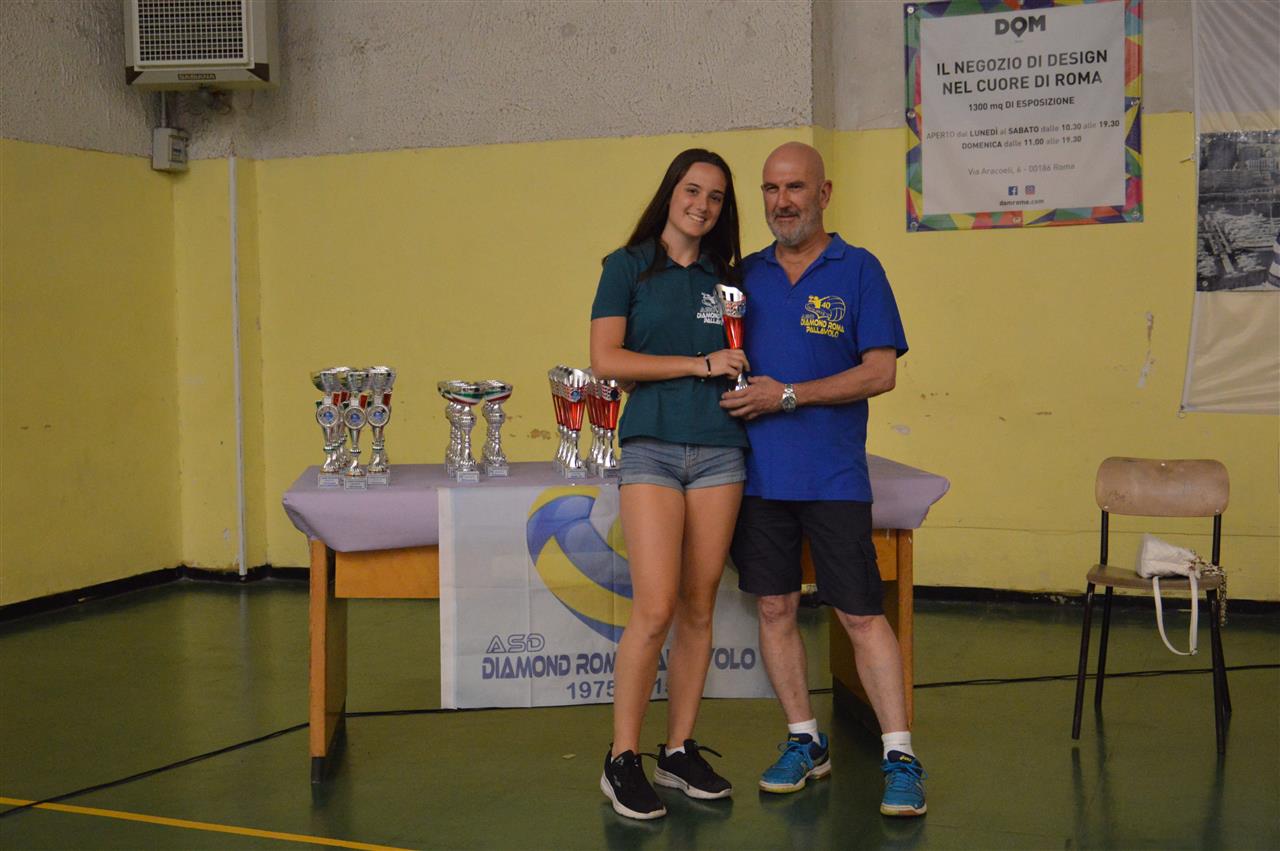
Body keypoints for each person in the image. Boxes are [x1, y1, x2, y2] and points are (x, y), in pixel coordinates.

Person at [720, 142, 926, 817]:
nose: (783, 201)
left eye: (796, 187)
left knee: (860, 613)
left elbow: (880, 372)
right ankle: (805, 739)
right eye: (771, 188)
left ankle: (900, 755)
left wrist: (787, 395)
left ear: (824, 192)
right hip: (757, 479)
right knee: (775, 610)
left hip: (834, 476)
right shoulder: (742, 277)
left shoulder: (858, 268)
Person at [589, 148, 750, 820]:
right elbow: (606, 359)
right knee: (654, 609)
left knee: (698, 606)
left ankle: (678, 750)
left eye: (715, 197)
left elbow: (744, 359)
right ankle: (622, 758)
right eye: (692, 190)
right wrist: (699, 363)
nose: (702, 205)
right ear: (671, 192)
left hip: (720, 452)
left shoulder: (728, 279)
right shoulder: (626, 266)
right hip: (651, 448)